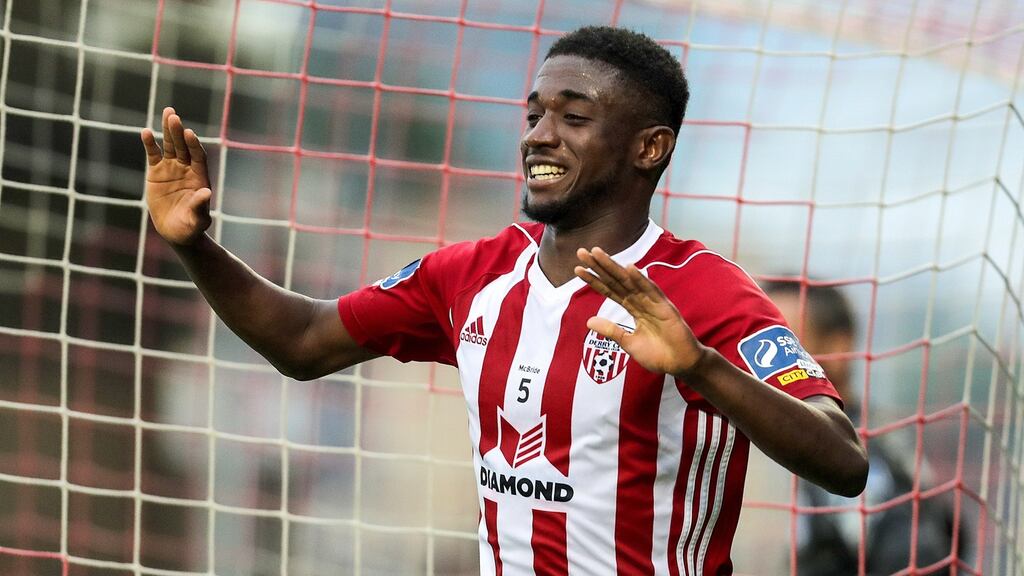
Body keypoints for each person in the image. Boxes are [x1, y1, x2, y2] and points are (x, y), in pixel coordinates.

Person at [141, 26, 868, 575]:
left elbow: (841, 458)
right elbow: (302, 341)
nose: (540, 137)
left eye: (574, 118)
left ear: (649, 147)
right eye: (534, 115)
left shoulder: (705, 288)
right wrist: (195, 247)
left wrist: (701, 367)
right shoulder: (471, 274)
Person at [762, 281, 967, 575]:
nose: (760, 355)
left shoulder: (860, 452)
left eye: (778, 339)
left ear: (838, 346)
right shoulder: (752, 433)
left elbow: (919, 555)